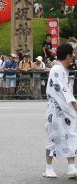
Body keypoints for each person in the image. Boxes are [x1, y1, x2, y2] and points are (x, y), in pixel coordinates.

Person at [43, 44, 77, 179]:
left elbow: (65, 91)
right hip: (56, 110)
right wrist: (74, 103)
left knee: (71, 135)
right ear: (68, 56)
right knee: (54, 137)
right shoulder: (57, 69)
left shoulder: (61, 69)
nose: (73, 58)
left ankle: (71, 167)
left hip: (64, 108)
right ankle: (48, 168)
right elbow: (63, 90)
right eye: (72, 56)